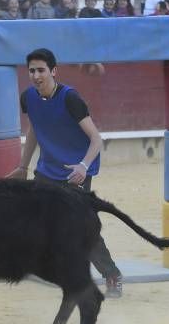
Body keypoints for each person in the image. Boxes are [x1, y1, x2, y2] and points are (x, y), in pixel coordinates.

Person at [7, 48, 123, 298]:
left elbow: (96, 139)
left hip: (76, 171)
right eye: (32, 71)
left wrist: (83, 166)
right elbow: (35, 130)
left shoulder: (70, 98)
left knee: (80, 228)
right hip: (48, 168)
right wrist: (23, 166)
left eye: (41, 70)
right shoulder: (28, 98)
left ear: (53, 72)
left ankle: (112, 274)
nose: (36, 76)